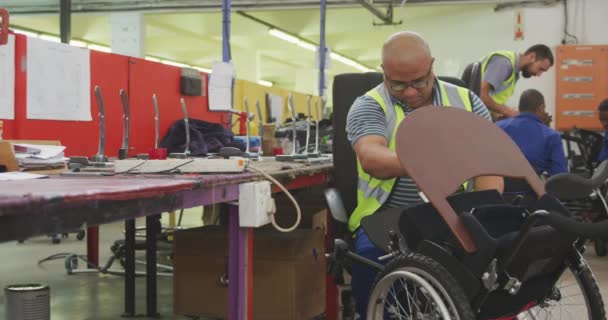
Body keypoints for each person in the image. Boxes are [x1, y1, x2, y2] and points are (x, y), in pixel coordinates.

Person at [345, 30, 504, 318]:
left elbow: (490, 165)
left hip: (454, 212)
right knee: (371, 264)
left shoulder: (467, 102)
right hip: (386, 217)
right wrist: (427, 162)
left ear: (432, 66)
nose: (409, 92)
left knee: (494, 264)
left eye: (419, 82)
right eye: (398, 84)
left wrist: (484, 214)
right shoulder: (369, 105)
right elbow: (372, 156)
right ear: (384, 72)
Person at [496, 89, 567, 177]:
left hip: (499, 187)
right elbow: (559, 175)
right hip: (532, 189)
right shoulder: (551, 135)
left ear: (520, 108)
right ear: (541, 108)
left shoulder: (497, 127)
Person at [478, 44, 554, 120]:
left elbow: (492, 99)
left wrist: (507, 112)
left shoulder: (514, 73)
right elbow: (481, 95)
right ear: (532, 57)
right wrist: (508, 112)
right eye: (540, 69)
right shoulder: (504, 63)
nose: (538, 74)